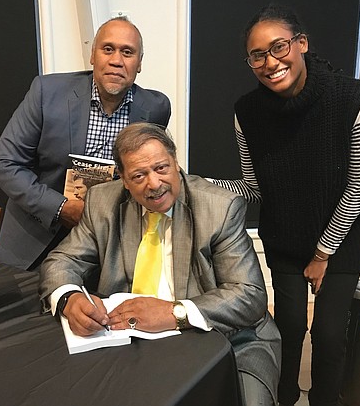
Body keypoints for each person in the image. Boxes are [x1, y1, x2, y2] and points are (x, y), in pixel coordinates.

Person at [40, 122, 281, 406]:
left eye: (161, 168)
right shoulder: (102, 201)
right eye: (139, 175)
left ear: (176, 163)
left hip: (226, 336)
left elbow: (249, 294)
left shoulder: (219, 207)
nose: (154, 184)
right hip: (131, 338)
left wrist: (174, 312)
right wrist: (68, 297)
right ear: (124, 180)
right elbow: (62, 260)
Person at [210, 4, 360, 406]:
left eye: (279, 47)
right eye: (257, 55)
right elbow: (253, 187)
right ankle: (282, 398)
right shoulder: (246, 112)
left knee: (329, 331)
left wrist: (323, 253)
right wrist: (195, 183)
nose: (270, 62)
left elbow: (357, 187)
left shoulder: (355, 100)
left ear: (301, 44)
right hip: (285, 236)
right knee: (285, 326)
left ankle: (324, 399)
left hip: (344, 233)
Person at [0, 17, 171, 270]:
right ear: (92, 56)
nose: (117, 60)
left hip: (105, 248)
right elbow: (5, 164)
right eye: (108, 49)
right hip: (35, 237)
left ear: (139, 63)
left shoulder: (155, 108)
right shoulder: (47, 93)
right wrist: (61, 208)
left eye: (127, 52)